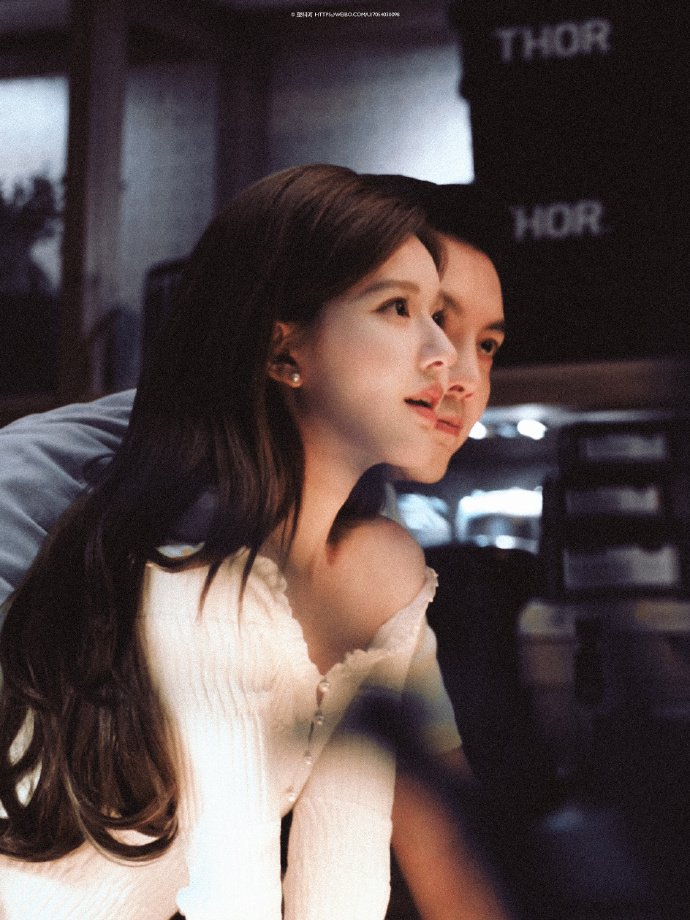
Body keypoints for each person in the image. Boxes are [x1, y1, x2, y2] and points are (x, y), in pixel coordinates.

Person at [0, 165, 510, 919]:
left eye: (485, 342)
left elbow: (354, 866)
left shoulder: (376, 559)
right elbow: (229, 890)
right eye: (404, 309)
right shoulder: (153, 537)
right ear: (284, 348)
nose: (454, 367)